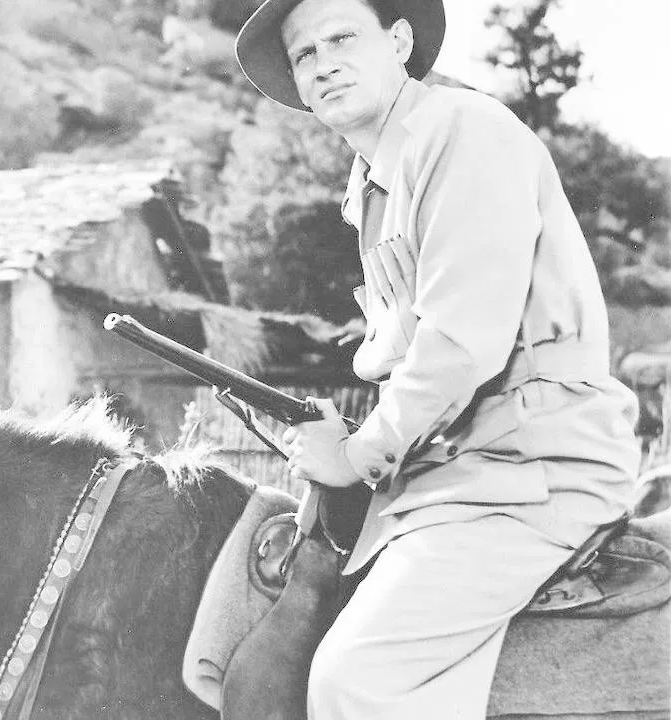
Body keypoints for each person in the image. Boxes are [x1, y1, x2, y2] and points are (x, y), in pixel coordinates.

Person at [235, 0, 640, 716]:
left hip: (531, 471)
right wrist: (360, 405)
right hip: (456, 477)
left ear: (399, 42)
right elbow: (414, 347)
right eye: (305, 54)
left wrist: (358, 454)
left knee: (357, 677)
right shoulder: (372, 186)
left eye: (342, 38)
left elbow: (459, 343)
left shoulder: (461, 131)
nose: (324, 63)